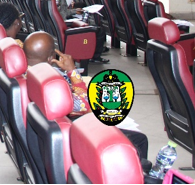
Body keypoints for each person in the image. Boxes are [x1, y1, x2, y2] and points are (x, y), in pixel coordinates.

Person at [22, 31, 149, 162]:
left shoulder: (30, 75)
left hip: (55, 129)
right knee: (139, 139)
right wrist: (72, 70)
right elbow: (88, 104)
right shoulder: (51, 84)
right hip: (74, 132)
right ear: (50, 58)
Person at [38, 0, 109, 64]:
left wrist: (74, 11)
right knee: (98, 30)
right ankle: (94, 56)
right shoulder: (49, 1)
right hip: (65, 32)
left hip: (55, 32)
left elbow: (58, 13)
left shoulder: (42, 0)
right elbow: (62, 16)